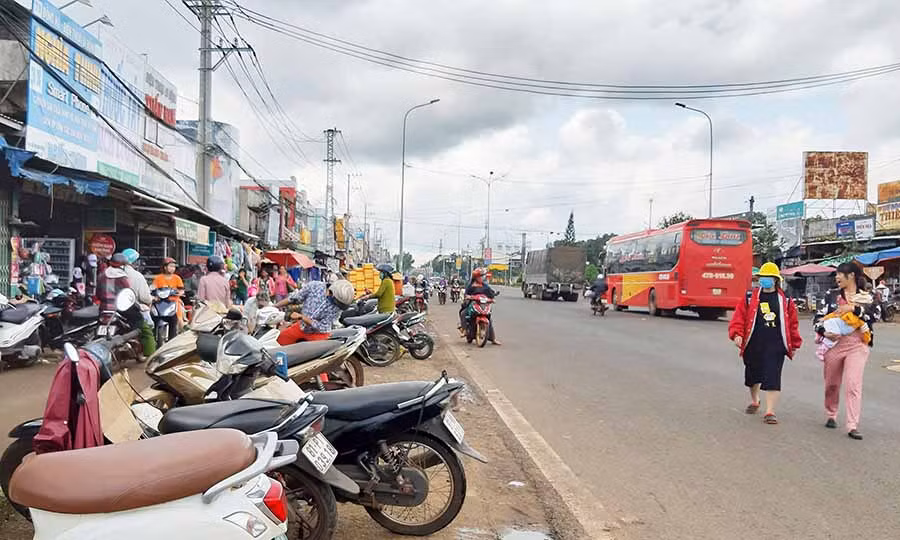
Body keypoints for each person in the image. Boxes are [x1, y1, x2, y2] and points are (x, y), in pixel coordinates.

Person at [728, 263, 802, 425]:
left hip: (776, 344)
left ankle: (770, 411)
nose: (764, 280)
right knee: (752, 375)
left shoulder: (786, 301)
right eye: (762, 277)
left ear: (776, 280)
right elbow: (738, 318)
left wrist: (794, 344)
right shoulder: (749, 298)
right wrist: (737, 334)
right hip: (753, 343)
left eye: (768, 278)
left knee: (773, 375)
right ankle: (755, 400)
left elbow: (792, 324)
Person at [814, 261, 879, 440]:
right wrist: (824, 331)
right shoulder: (831, 295)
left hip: (858, 345)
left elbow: (875, 315)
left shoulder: (868, 296)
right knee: (832, 384)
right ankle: (831, 413)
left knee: (853, 385)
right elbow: (818, 318)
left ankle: (852, 425)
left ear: (851, 276)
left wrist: (854, 308)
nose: (836, 278)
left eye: (839, 274)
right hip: (834, 345)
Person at [105, 252, 156, 357]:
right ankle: (151, 357)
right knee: (146, 330)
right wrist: (139, 306)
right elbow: (128, 296)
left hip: (104, 308)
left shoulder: (102, 274)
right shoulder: (125, 277)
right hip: (123, 309)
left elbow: (98, 294)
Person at [275, 280, 355, 345]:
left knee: (315, 360)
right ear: (330, 292)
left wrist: (303, 318)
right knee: (279, 341)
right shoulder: (314, 286)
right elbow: (293, 298)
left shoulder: (338, 308)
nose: (336, 305)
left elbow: (323, 327)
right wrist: (274, 307)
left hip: (319, 334)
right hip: (301, 327)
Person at [816, 291, 873, 361]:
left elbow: (866, 331)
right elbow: (835, 314)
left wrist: (867, 340)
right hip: (836, 325)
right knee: (831, 336)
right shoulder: (845, 310)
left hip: (845, 334)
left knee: (833, 337)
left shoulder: (861, 319)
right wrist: (824, 319)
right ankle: (821, 349)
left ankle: (821, 340)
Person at [459, 267, 501, 345]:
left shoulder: (485, 286)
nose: (482, 278)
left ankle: (493, 339)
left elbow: (491, 293)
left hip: (483, 304)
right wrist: (468, 297)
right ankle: (464, 330)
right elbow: (466, 294)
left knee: (489, 320)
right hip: (473, 303)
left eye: (483, 276)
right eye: (480, 276)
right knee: (463, 313)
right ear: (476, 277)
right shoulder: (471, 286)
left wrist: (492, 297)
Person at [152, 257, 186, 331]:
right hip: (160, 302)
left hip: (174, 301)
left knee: (179, 317)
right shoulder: (158, 278)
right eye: (170, 266)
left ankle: (181, 329)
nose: (172, 268)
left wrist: (179, 293)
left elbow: (181, 290)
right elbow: (153, 288)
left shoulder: (177, 278)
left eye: (174, 267)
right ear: (165, 267)